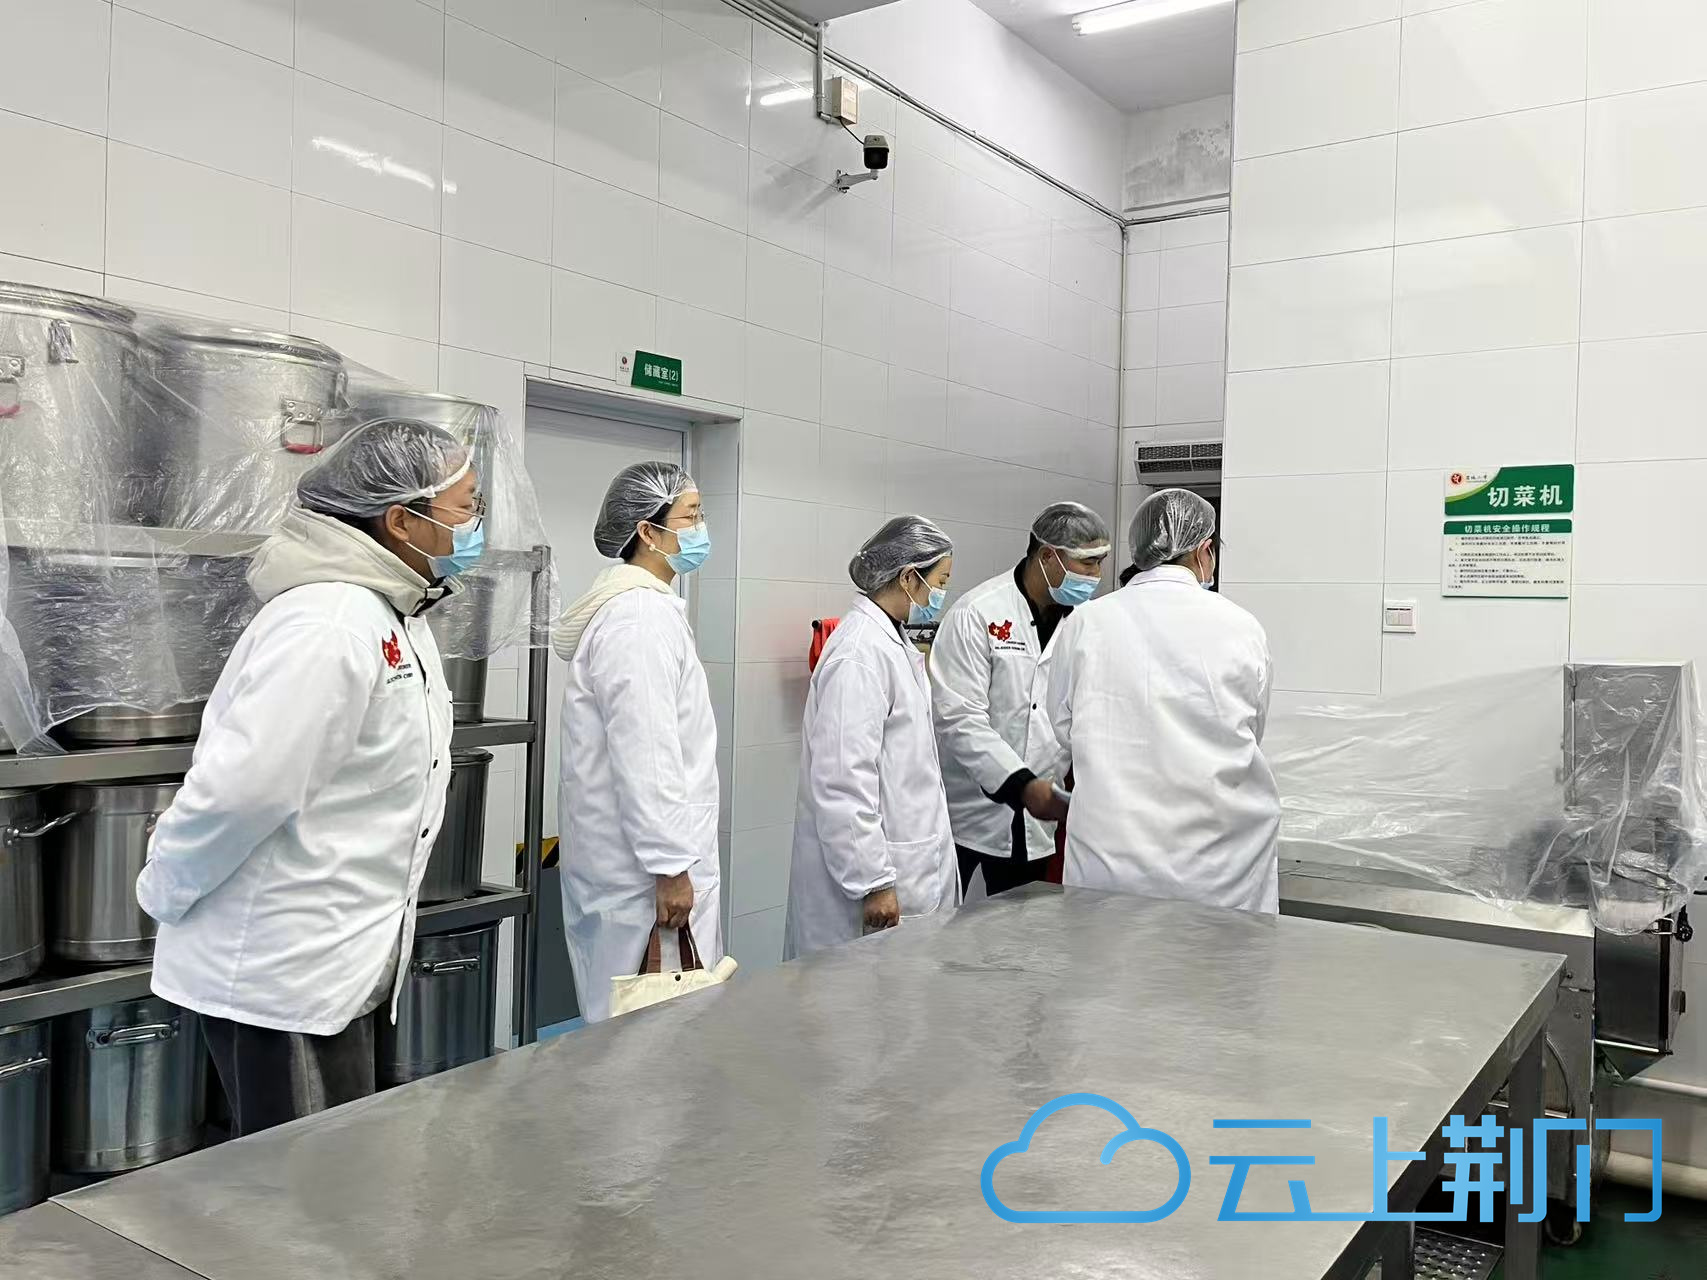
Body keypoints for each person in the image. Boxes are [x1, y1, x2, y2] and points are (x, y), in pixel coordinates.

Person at [137, 418, 480, 1135]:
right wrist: (163, 889)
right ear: (400, 519)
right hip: (282, 968)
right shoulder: (330, 622)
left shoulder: (392, 610)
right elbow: (246, 790)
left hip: (335, 958)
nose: (476, 524)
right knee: (300, 1186)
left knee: (330, 1173)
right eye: (466, 506)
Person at [1046, 488, 1281, 913]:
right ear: (1204, 550)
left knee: (1106, 956)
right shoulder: (1241, 626)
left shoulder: (1086, 622)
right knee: (1219, 957)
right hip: (1219, 868)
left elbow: (1063, 727)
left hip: (1111, 861)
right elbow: (1253, 728)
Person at [552, 461, 722, 1022]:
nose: (702, 529)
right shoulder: (639, 619)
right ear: (648, 531)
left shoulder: (645, 609)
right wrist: (670, 865)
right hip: (643, 883)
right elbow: (645, 752)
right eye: (691, 517)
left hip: (637, 873)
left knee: (650, 1037)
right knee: (645, 1041)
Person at [785, 516, 960, 958]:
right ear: (908, 578)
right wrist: (874, 881)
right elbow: (843, 779)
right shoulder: (858, 654)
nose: (941, 594)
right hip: (871, 887)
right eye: (940, 581)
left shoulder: (890, 642)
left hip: (909, 868)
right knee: (858, 995)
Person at [930, 502, 1110, 897]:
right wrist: (1022, 784)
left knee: (1025, 931)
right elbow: (959, 718)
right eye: (1087, 563)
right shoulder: (977, 613)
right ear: (1047, 556)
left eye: (1100, 563)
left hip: (1040, 819)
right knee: (951, 929)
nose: (1096, 575)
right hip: (970, 814)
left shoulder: (1087, 622)